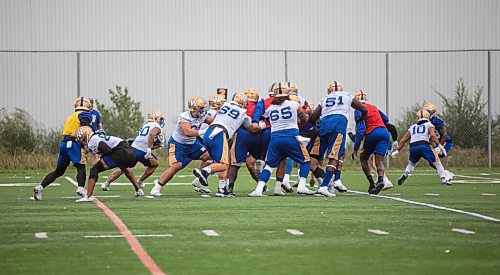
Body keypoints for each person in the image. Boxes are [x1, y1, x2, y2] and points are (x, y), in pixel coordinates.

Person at [249, 82, 314, 197]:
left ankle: (258, 189)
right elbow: (305, 117)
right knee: (306, 161)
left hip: (275, 139)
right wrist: (299, 124)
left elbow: (265, 119)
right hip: (291, 137)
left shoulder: (270, 108)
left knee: (269, 166)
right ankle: (302, 186)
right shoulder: (294, 104)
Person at [193, 92, 263, 197]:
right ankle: (204, 171)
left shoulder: (224, 106)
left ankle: (222, 190)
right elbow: (252, 128)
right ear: (243, 103)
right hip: (219, 134)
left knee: (222, 163)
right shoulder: (243, 113)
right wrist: (261, 126)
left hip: (209, 132)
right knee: (224, 164)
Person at [309, 81, 367, 197]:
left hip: (324, 125)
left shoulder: (325, 99)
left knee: (317, 157)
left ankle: (329, 183)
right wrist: (360, 120)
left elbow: (313, 118)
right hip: (338, 125)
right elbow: (364, 109)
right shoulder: (347, 95)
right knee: (334, 156)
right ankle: (325, 186)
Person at [150, 98, 214, 197]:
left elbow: (212, 121)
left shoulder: (202, 115)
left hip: (192, 144)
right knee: (176, 166)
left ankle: (199, 180)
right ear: (193, 109)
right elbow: (187, 132)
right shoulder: (184, 117)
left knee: (209, 156)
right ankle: (157, 186)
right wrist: (204, 132)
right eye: (200, 108)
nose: (202, 110)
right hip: (177, 144)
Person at [33, 97, 92, 201]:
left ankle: (40, 187)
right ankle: (81, 188)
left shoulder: (70, 117)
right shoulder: (85, 114)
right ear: (88, 106)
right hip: (74, 144)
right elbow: (84, 128)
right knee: (81, 167)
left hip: (64, 144)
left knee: (59, 171)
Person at [75, 126, 144, 202]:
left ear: (87, 135)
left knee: (94, 169)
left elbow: (107, 150)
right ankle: (138, 190)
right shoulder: (97, 137)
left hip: (121, 152)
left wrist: (102, 159)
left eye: (83, 138)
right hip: (130, 152)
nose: (83, 141)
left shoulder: (93, 140)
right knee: (125, 169)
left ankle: (88, 196)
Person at [101, 111, 165, 191]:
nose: (161, 120)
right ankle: (140, 182)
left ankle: (106, 183)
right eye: (160, 118)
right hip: (142, 150)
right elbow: (152, 134)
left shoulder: (146, 125)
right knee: (154, 165)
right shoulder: (156, 126)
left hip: (133, 148)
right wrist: (149, 148)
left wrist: (151, 147)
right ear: (156, 118)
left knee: (123, 168)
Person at [351, 89, 397, 191]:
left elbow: (361, 129)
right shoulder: (374, 107)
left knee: (363, 158)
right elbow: (386, 119)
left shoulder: (358, 110)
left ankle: (372, 183)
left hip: (372, 133)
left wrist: (356, 147)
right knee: (379, 160)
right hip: (385, 133)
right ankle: (381, 180)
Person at [391, 109, 451, 186]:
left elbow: (403, 140)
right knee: (437, 162)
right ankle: (444, 179)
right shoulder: (429, 125)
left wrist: (397, 151)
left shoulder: (412, 127)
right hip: (424, 145)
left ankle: (406, 173)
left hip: (413, 147)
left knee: (411, 164)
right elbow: (433, 135)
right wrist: (440, 146)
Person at [227, 89, 265, 195]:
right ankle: (262, 182)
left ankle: (230, 187)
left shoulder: (239, 107)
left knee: (235, 164)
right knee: (262, 159)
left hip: (242, 135)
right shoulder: (260, 105)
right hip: (258, 135)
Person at [423, 102, 454, 181]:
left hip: (445, 142)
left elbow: (444, 135)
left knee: (433, 159)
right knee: (431, 161)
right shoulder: (426, 122)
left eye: (427, 112)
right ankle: (445, 173)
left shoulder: (436, 121)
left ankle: (445, 174)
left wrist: (439, 146)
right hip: (438, 143)